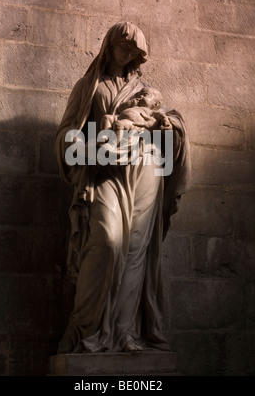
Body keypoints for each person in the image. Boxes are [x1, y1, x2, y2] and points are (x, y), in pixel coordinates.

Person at [54, 21, 191, 353]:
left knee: (135, 252)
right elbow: (65, 135)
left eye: (135, 50)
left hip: (146, 172)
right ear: (109, 46)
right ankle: (87, 332)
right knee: (107, 242)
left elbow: (166, 138)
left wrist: (170, 127)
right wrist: (89, 149)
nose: (129, 54)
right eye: (123, 46)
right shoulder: (89, 87)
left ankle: (126, 333)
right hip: (104, 174)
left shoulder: (146, 93)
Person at [100, 86, 172, 134]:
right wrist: (130, 103)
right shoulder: (134, 105)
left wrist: (165, 120)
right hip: (119, 117)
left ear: (155, 104)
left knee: (119, 125)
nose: (140, 96)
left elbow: (160, 115)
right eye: (139, 95)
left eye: (145, 95)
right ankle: (106, 135)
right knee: (107, 118)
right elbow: (120, 108)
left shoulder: (150, 111)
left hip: (132, 123)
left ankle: (114, 144)